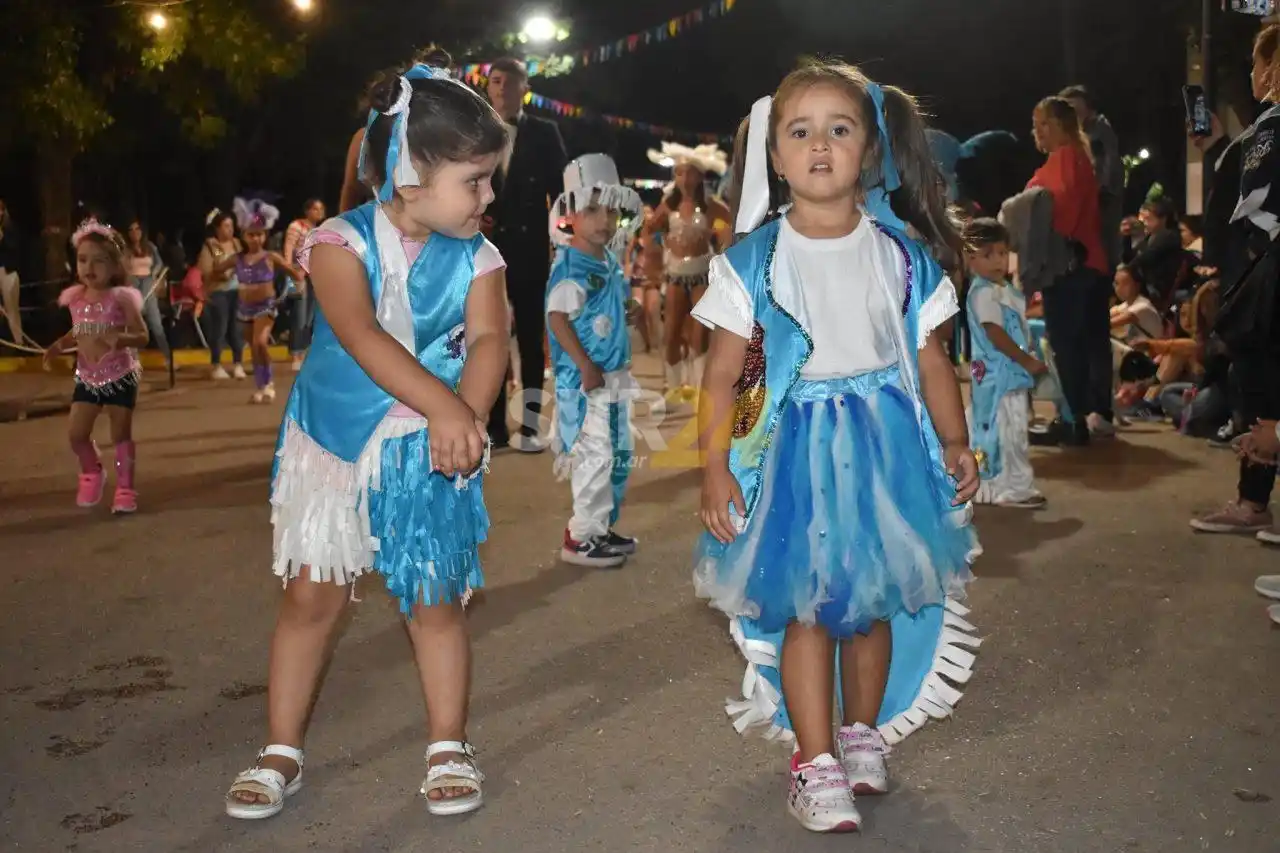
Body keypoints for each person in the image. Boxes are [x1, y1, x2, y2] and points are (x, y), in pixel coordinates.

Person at [691, 60, 981, 833]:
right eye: (800, 132)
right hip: (792, 453)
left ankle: (861, 733)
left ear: (869, 152)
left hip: (885, 452)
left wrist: (956, 441)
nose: (820, 145)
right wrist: (716, 465)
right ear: (776, 158)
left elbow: (930, 359)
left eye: (840, 129)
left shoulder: (902, 257)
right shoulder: (753, 263)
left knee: (876, 601)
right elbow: (723, 378)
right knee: (809, 609)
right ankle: (813, 759)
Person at [223, 55, 509, 820]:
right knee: (311, 597)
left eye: (488, 179)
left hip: (428, 452)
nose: (489, 195)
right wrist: (444, 407)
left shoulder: (482, 255)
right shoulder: (337, 245)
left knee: (435, 598)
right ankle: (281, 746)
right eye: (475, 180)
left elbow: (489, 340)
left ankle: (448, 741)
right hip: (335, 447)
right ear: (412, 179)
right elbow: (358, 333)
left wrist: (469, 413)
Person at [1190, 24, 1280, 542]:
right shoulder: (1255, 131)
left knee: (1262, 378)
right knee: (1262, 381)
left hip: (1262, 270)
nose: (1252, 71)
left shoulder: (1271, 126)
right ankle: (1253, 499)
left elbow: (1259, 203)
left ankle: (1252, 502)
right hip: (1252, 270)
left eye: (1256, 60)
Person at [545, 154, 644, 567]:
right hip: (589, 384)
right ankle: (581, 536)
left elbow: (607, 305)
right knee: (595, 456)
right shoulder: (571, 265)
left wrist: (630, 308)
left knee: (617, 454)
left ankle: (599, 527)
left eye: (610, 210)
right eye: (591, 210)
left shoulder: (606, 260)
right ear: (571, 215)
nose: (603, 220)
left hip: (611, 377)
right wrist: (584, 365)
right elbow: (557, 319)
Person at [485, 56, 569, 452]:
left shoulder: (545, 131)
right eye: (495, 81)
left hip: (531, 246)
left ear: (524, 88)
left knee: (532, 340)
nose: (501, 89)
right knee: (491, 337)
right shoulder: (474, 130)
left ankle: (532, 424)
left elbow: (562, 195)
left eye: (509, 82)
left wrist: (564, 243)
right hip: (483, 249)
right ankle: (494, 425)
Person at [42, 219, 149, 514]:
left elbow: (143, 336)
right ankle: (92, 472)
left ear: (115, 265)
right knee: (76, 434)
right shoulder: (76, 298)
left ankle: (125, 488)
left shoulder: (121, 298)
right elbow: (78, 332)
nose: (90, 267)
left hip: (120, 376)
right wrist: (58, 346)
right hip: (87, 378)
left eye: (99, 261)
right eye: (83, 259)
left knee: (120, 435)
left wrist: (120, 338)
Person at [1027, 96, 1113, 443]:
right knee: (1092, 342)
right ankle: (1095, 413)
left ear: (1062, 125)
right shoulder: (1081, 158)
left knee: (1068, 344)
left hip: (1067, 266)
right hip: (1091, 262)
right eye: (1035, 125)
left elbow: (1059, 211)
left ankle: (1073, 419)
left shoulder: (1063, 159)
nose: (1038, 131)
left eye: (1044, 123)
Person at [964, 218, 1047, 508]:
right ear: (970, 258)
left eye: (1002, 253)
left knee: (1003, 429)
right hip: (999, 377)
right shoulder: (984, 292)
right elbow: (995, 332)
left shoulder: (1004, 290)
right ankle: (1012, 490)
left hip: (1006, 376)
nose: (998, 261)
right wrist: (1027, 360)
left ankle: (996, 486)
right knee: (1008, 432)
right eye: (988, 254)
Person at [644, 142, 731, 404]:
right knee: (671, 333)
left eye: (690, 172)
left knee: (700, 333)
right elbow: (649, 230)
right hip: (675, 276)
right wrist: (659, 251)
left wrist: (722, 245)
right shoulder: (667, 205)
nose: (685, 178)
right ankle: (673, 388)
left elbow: (730, 225)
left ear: (700, 176)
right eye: (680, 173)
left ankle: (697, 388)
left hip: (702, 276)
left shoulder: (711, 206)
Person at [206, 198, 301, 403]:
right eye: (251, 235)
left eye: (258, 234)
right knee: (254, 349)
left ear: (264, 235)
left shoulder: (271, 256)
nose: (255, 239)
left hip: (265, 307)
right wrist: (213, 273)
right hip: (244, 308)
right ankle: (261, 386)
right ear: (245, 236)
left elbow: (294, 272)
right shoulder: (237, 258)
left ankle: (269, 384)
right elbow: (216, 269)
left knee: (260, 343)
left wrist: (298, 280)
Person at [1060, 85, 1124, 271]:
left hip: (1099, 199)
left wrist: (1103, 189)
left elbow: (1110, 162)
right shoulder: (1070, 136)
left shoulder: (1099, 128)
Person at [197, 210, 247, 380]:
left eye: (231, 226)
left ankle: (238, 364)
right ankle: (216, 365)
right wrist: (223, 273)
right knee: (220, 328)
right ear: (217, 229)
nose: (230, 229)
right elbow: (208, 269)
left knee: (236, 329)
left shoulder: (237, 244)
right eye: (226, 226)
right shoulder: (213, 246)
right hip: (219, 292)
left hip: (237, 291)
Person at [281, 199, 326, 371]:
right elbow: (288, 248)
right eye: (315, 209)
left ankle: (304, 352)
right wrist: (289, 271)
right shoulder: (296, 226)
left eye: (321, 209)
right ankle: (295, 354)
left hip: (314, 276)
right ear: (307, 211)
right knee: (298, 315)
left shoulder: (319, 230)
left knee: (309, 317)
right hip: (297, 274)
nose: (319, 212)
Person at [123, 220, 171, 363]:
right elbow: (122, 267)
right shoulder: (126, 249)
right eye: (131, 230)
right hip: (133, 284)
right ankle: (133, 360)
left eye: (137, 229)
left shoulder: (150, 247)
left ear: (141, 231)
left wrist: (154, 274)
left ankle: (168, 358)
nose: (134, 232)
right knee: (134, 325)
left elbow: (159, 263)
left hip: (148, 283)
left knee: (156, 324)